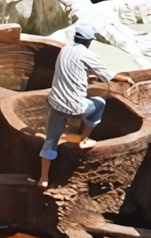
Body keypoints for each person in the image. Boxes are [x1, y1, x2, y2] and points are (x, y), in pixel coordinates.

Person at [39, 24, 113, 189]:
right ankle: (84, 140)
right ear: (89, 42)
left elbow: (74, 69)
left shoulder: (64, 49)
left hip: (56, 104)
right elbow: (109, 76)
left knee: (50, 140)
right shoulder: (87, 54)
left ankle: (43, 178)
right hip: (76, 108)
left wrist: (87, 74)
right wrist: (123, 79)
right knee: (100, 104)